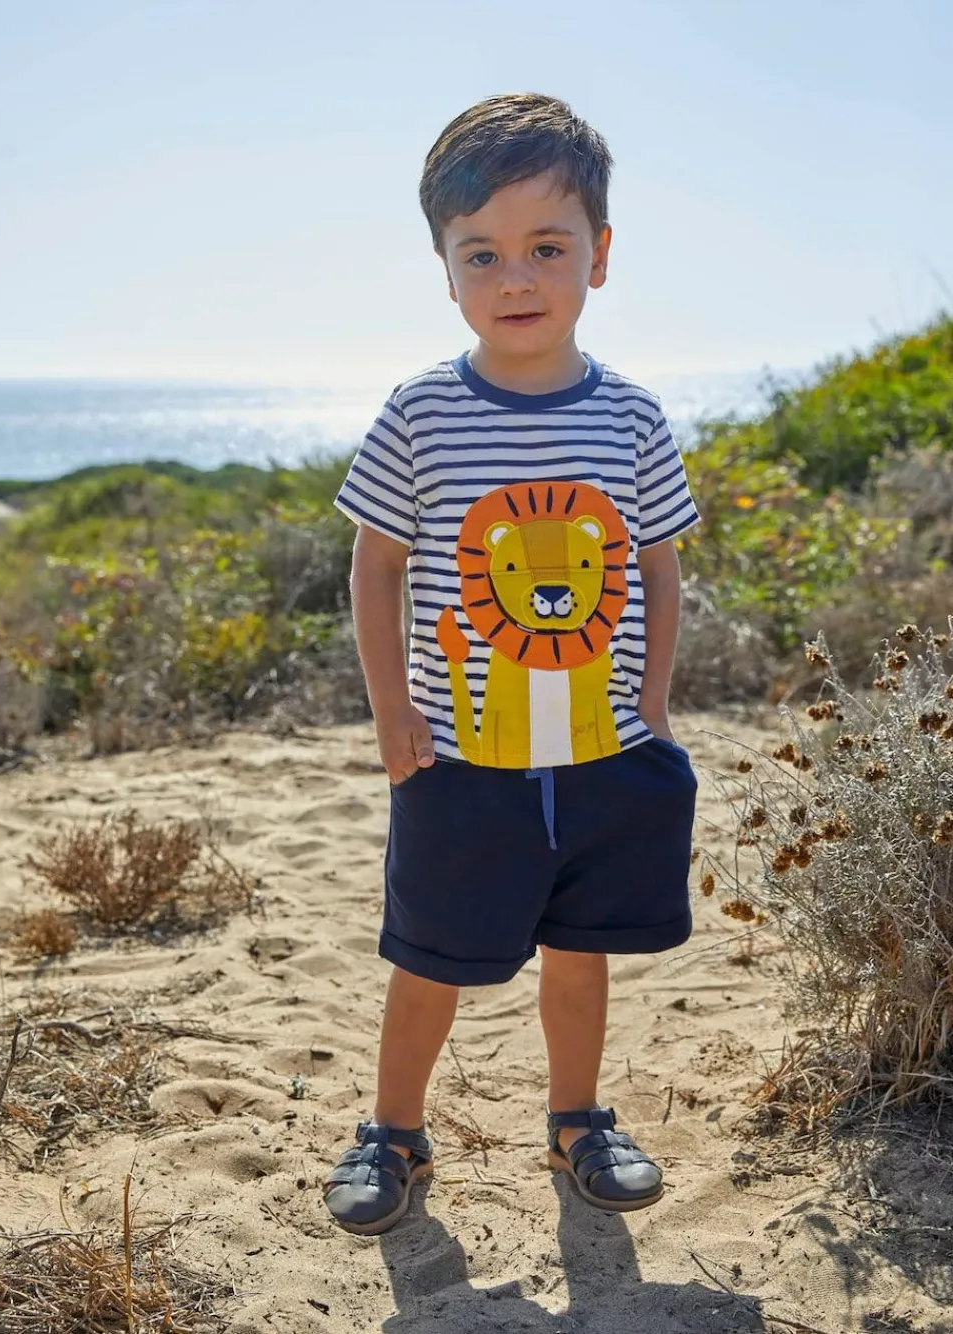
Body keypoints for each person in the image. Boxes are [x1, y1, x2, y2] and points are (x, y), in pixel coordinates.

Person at [325, 92, 700, 1236]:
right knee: (428, 957)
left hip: (602, 754)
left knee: (582, 954)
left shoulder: (630, 417)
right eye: (479, 252)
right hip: (459, 759)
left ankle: (577, 1119)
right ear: (445, 270)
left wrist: (651, 702)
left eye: (547, 245)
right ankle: (392, 1129)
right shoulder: (421, 412)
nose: (515, 277)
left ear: (600, 255)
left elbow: (658, 568)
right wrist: (393, 714)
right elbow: (375, 569)